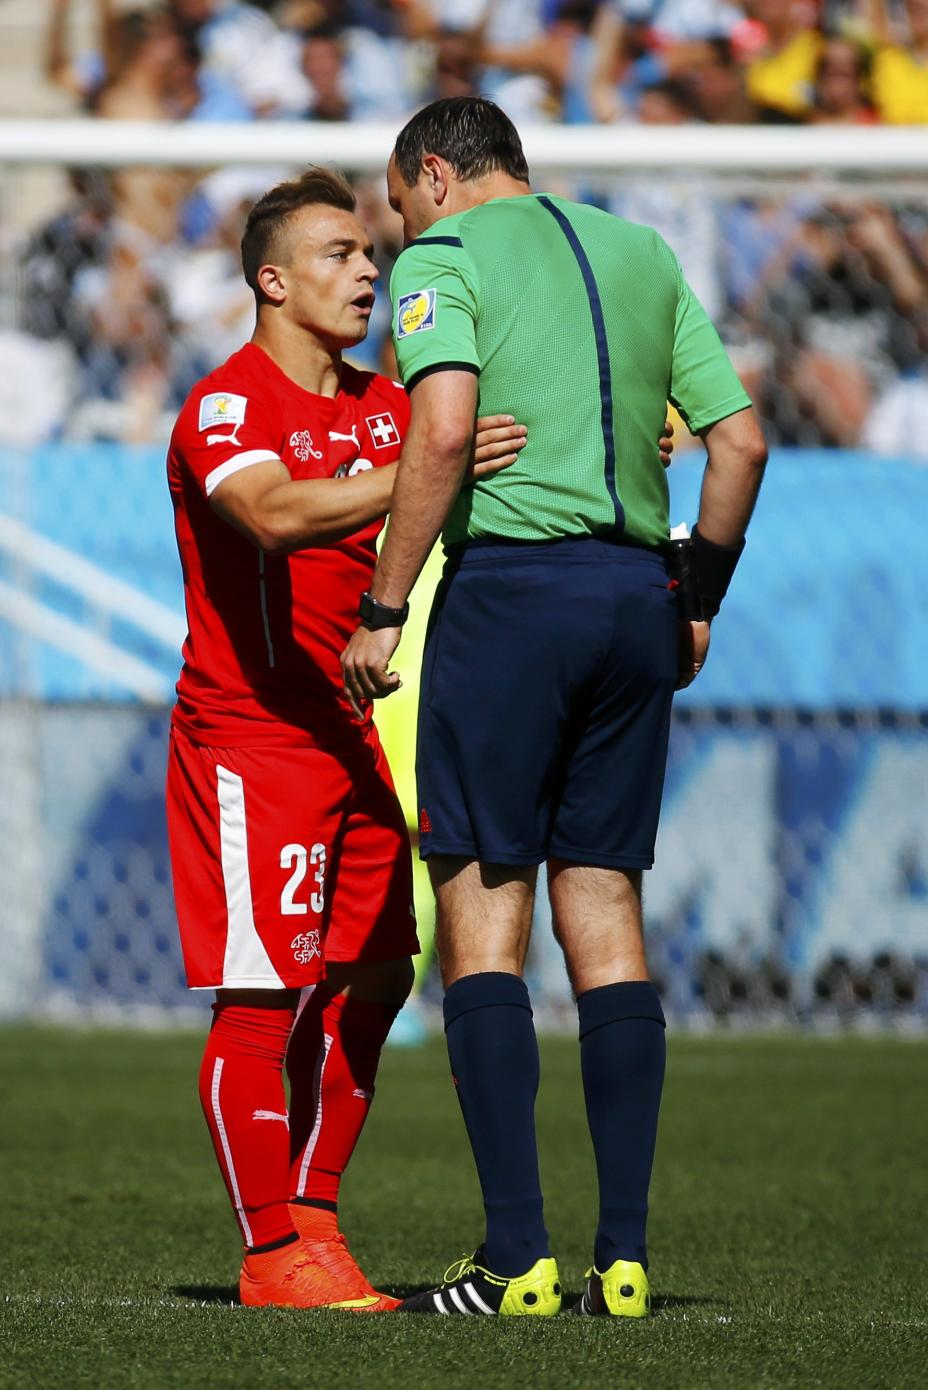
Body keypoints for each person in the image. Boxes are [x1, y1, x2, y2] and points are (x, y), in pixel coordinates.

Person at [341, 96, 767, 1318]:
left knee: (483, 912)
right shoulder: (641, 251)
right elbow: (739, 444)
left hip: (512, 595)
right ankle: (622, 1262)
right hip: (637, 596)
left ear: (432, 173)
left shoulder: (447, 260)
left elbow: (444, 432)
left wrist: (384, 606)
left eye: (399, 203)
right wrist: (697, 592)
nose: (397, 235)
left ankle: (516, 1258)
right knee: (607, 908)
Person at [165, 167, 530, 1311]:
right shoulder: (226, 407)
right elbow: (273, 514)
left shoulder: (386, 405)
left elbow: (472, 448)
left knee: (378, 970)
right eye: (338, 253)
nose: (368, 269)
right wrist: (422, 467)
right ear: (272, 280)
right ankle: (272, 1252)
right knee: (261, 996)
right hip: (251, 738)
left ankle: (315, 1218)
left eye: (370, 252)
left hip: (348, 734)